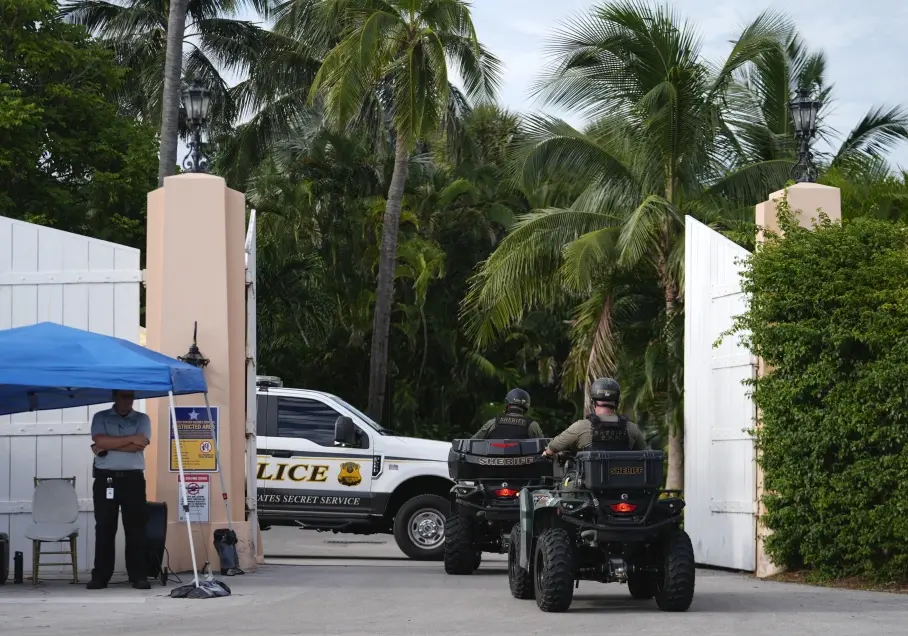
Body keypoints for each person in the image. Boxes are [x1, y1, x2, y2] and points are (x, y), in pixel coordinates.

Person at [87, 389, 152, 590]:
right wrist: (130, 439)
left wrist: (110, 444)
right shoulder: (101, 417)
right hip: (106, 477)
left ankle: (139, 575)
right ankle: (101, 576)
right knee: (105, 527)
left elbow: (139, 446)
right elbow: (99, 441)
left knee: (135, 528)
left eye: (131, 397)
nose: (128, 401)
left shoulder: (142, 418)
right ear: (115, 397)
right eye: (123, 396)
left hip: (132, 479)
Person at [542, 377, 647, 456]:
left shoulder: (581, 427)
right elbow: (646, 455)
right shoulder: (632, 428)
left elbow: (552, 448)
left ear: (593, 402)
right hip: (625, 484)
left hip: (590, 485)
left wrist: (546, 453)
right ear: (616, 402)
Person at [472, 388, 545, 439]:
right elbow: (544, 447)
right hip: (524, 461)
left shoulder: (493, 422)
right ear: (526, 408)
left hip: (494, 460)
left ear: (507, 404)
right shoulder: (532, 425)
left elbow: (472, 442)